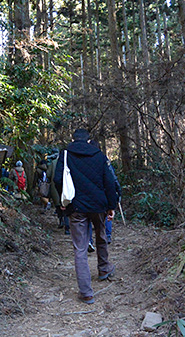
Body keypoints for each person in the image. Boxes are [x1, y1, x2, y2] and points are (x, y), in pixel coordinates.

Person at [54, 128, 121, 304]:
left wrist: (63, 199)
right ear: (89, 140)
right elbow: (109, 181)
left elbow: (57, 178)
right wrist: (111, 206)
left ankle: (86, 292)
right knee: (101, 236)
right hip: (99, 204)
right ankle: (104, 269)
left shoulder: (66, 154)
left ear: (73, 139)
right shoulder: (99, 155)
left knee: (80, 248)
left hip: (76, 206)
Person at [47, 149, 70, 234]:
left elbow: (48, 174)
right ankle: (67, 226)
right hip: (67, 188)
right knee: (66, 205)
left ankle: (61, 221)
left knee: (58, 205)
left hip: (55, 187)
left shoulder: (53, 163)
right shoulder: (69, 161)